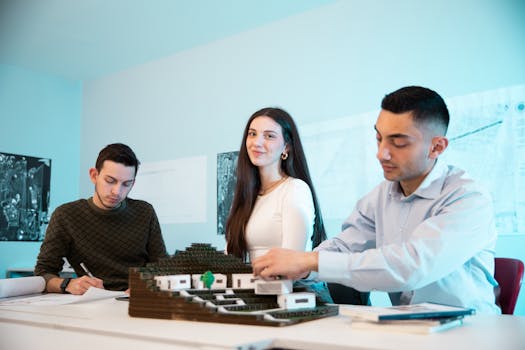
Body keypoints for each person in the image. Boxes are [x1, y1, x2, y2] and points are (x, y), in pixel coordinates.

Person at [252, 86, 500, 313]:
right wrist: (302, 267)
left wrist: (310, 260)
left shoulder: (468, 198)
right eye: (379, 138)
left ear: (437, 147)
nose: (381, 153)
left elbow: (411, 266)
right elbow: (344, 246)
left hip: (470, 330)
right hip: (408, 327)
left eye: (399, 142)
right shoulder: (380, 197)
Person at [34, 143, 168, 294]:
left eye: (126, 184)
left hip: (136, 301)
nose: (117, 192)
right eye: (110, 181)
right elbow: (42, 273)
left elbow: (162, 268)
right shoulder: (65, 215)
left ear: (133, 183)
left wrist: (148, 284)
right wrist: (68, 284)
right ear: (94, 175)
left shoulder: (145, 212)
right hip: (92, 302)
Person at [226, 107, 326, 262]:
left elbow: (290, 265)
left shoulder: (295, 189)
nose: (257, 143)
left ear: (286, 147)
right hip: (252, 284)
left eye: (269, 136)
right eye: (252, 134)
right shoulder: (246, 195)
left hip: (290, 286)